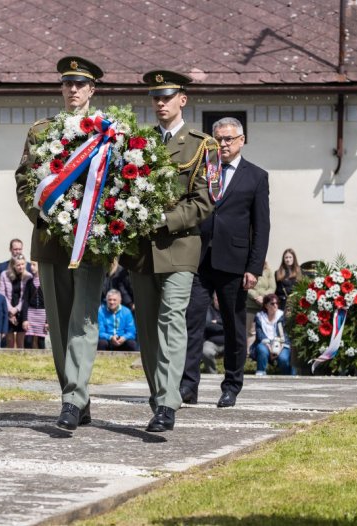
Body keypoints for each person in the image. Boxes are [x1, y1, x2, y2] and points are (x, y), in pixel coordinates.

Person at [120, 70, 216, 432]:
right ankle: (157, 393)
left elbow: (207, 200)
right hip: (141, 251)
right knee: (146, 329)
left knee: (171, 319)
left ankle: (167, 403)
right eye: (155, 97)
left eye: (166, 96)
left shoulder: (201, 145)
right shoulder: (138, 143)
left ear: (182, 100)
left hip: (179, 246)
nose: (160, 103)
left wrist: (164, 218)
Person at [14, 56, 105, 430]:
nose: (73, 90)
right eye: (67, 83)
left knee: (82, 321)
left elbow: (117, 185)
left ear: (92, 90)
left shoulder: (107, 132)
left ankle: (71, 400)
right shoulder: (41, 132)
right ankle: (76, 395)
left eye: (80, 84)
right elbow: (23, 182)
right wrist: (44, 214)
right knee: (59, 323)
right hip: (51, 241)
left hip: (93, 243)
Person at [181, 116, 270, 408]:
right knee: (191, 322)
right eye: (218, 139)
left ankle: (231, 385)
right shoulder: (203, 170)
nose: (223, 144)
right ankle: (187, 386)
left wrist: (254, 268)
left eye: (229, 139)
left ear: (241, 140)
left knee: (234, 327)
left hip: (234, 263)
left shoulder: (256, 176)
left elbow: (261, 226)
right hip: (199, 258)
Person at [249, 293, 291, 375]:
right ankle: (260, 373)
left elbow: (285, 335)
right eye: (272, 303)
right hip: (265, 343)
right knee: (262, 349)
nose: (275, 305)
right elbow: (260, 335)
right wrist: (270, 348)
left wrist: (278, 349)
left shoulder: (282, 316)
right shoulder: (259, 317)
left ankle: (286, 377)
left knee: (283, 358)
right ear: (266, 305)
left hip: (281, 343)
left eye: (277, 303)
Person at [0, 254, 31, 349]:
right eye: (18, 265)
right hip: (8, 311)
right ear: (13, 265)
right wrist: (10, 310)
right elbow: (2, 294)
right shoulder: (4, 275)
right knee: (9, 340)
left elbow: (26, 297)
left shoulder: (28, 276)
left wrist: (16, 309)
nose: (21, 267)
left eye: (22, 264)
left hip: (21, 311)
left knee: (20, 340)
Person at [246, 260, 275, 351]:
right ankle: (249, 353)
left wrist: (263, 298)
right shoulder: (248, 270)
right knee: (251, 331)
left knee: (264, 331)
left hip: (265, 306)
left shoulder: (268, 271)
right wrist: (255, 296)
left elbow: (272, 288)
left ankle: (262, 353)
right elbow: (246, 287)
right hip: (251, 306)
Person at [21, 261, 48, 349]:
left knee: (41, 341)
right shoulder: (29, 282)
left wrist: (48, 321)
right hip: (31, 314)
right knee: (28, 340)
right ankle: (27, 358)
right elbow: (25, 301)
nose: (31, 267)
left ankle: (42, 360)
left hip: (43, 315)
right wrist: (25, 319)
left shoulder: (46, 282)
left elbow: (49, 304)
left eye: (34, 265)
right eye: (31, 264)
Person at [201, 292, 225, 375]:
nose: (218, 301)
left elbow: (232, 325)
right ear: (213, 300)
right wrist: (223, 325)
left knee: (238, 349)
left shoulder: (228, 309)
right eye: (216, 299)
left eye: (220, 299)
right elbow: (207, 325)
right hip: (211, 341)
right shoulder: (208, 310)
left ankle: (230, 375)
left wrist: (216, 322)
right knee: (205, 351)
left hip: (227, 341)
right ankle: (212, 374)